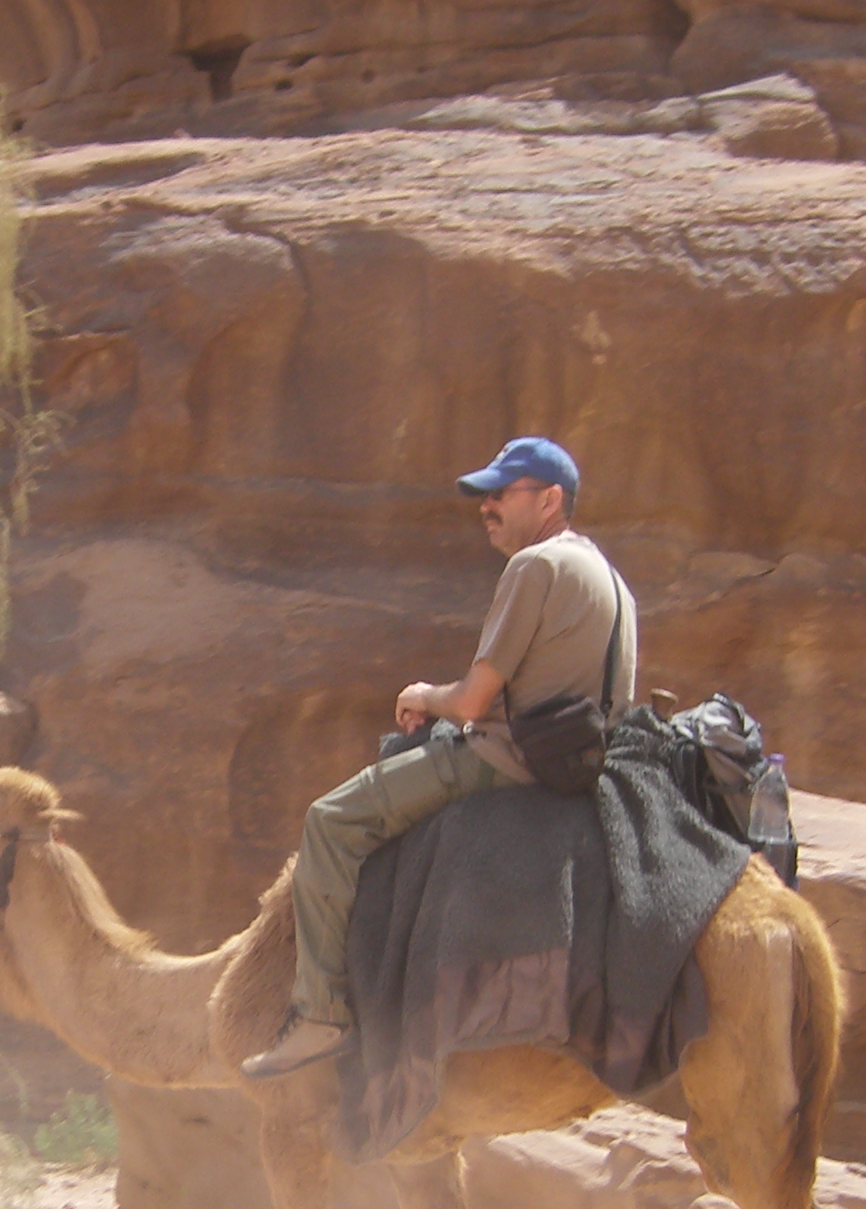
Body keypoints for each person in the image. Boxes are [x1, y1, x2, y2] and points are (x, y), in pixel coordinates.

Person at [239, 436, 638, 1080]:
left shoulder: (535, 568)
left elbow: (477, 701)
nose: (487, 507)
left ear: (551, 499)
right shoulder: (609, 577)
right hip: (580, 766)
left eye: (502, 494)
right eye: (485, 496)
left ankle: (320, 1015)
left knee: (330, 822)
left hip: (505, 761)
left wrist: (423, 693)